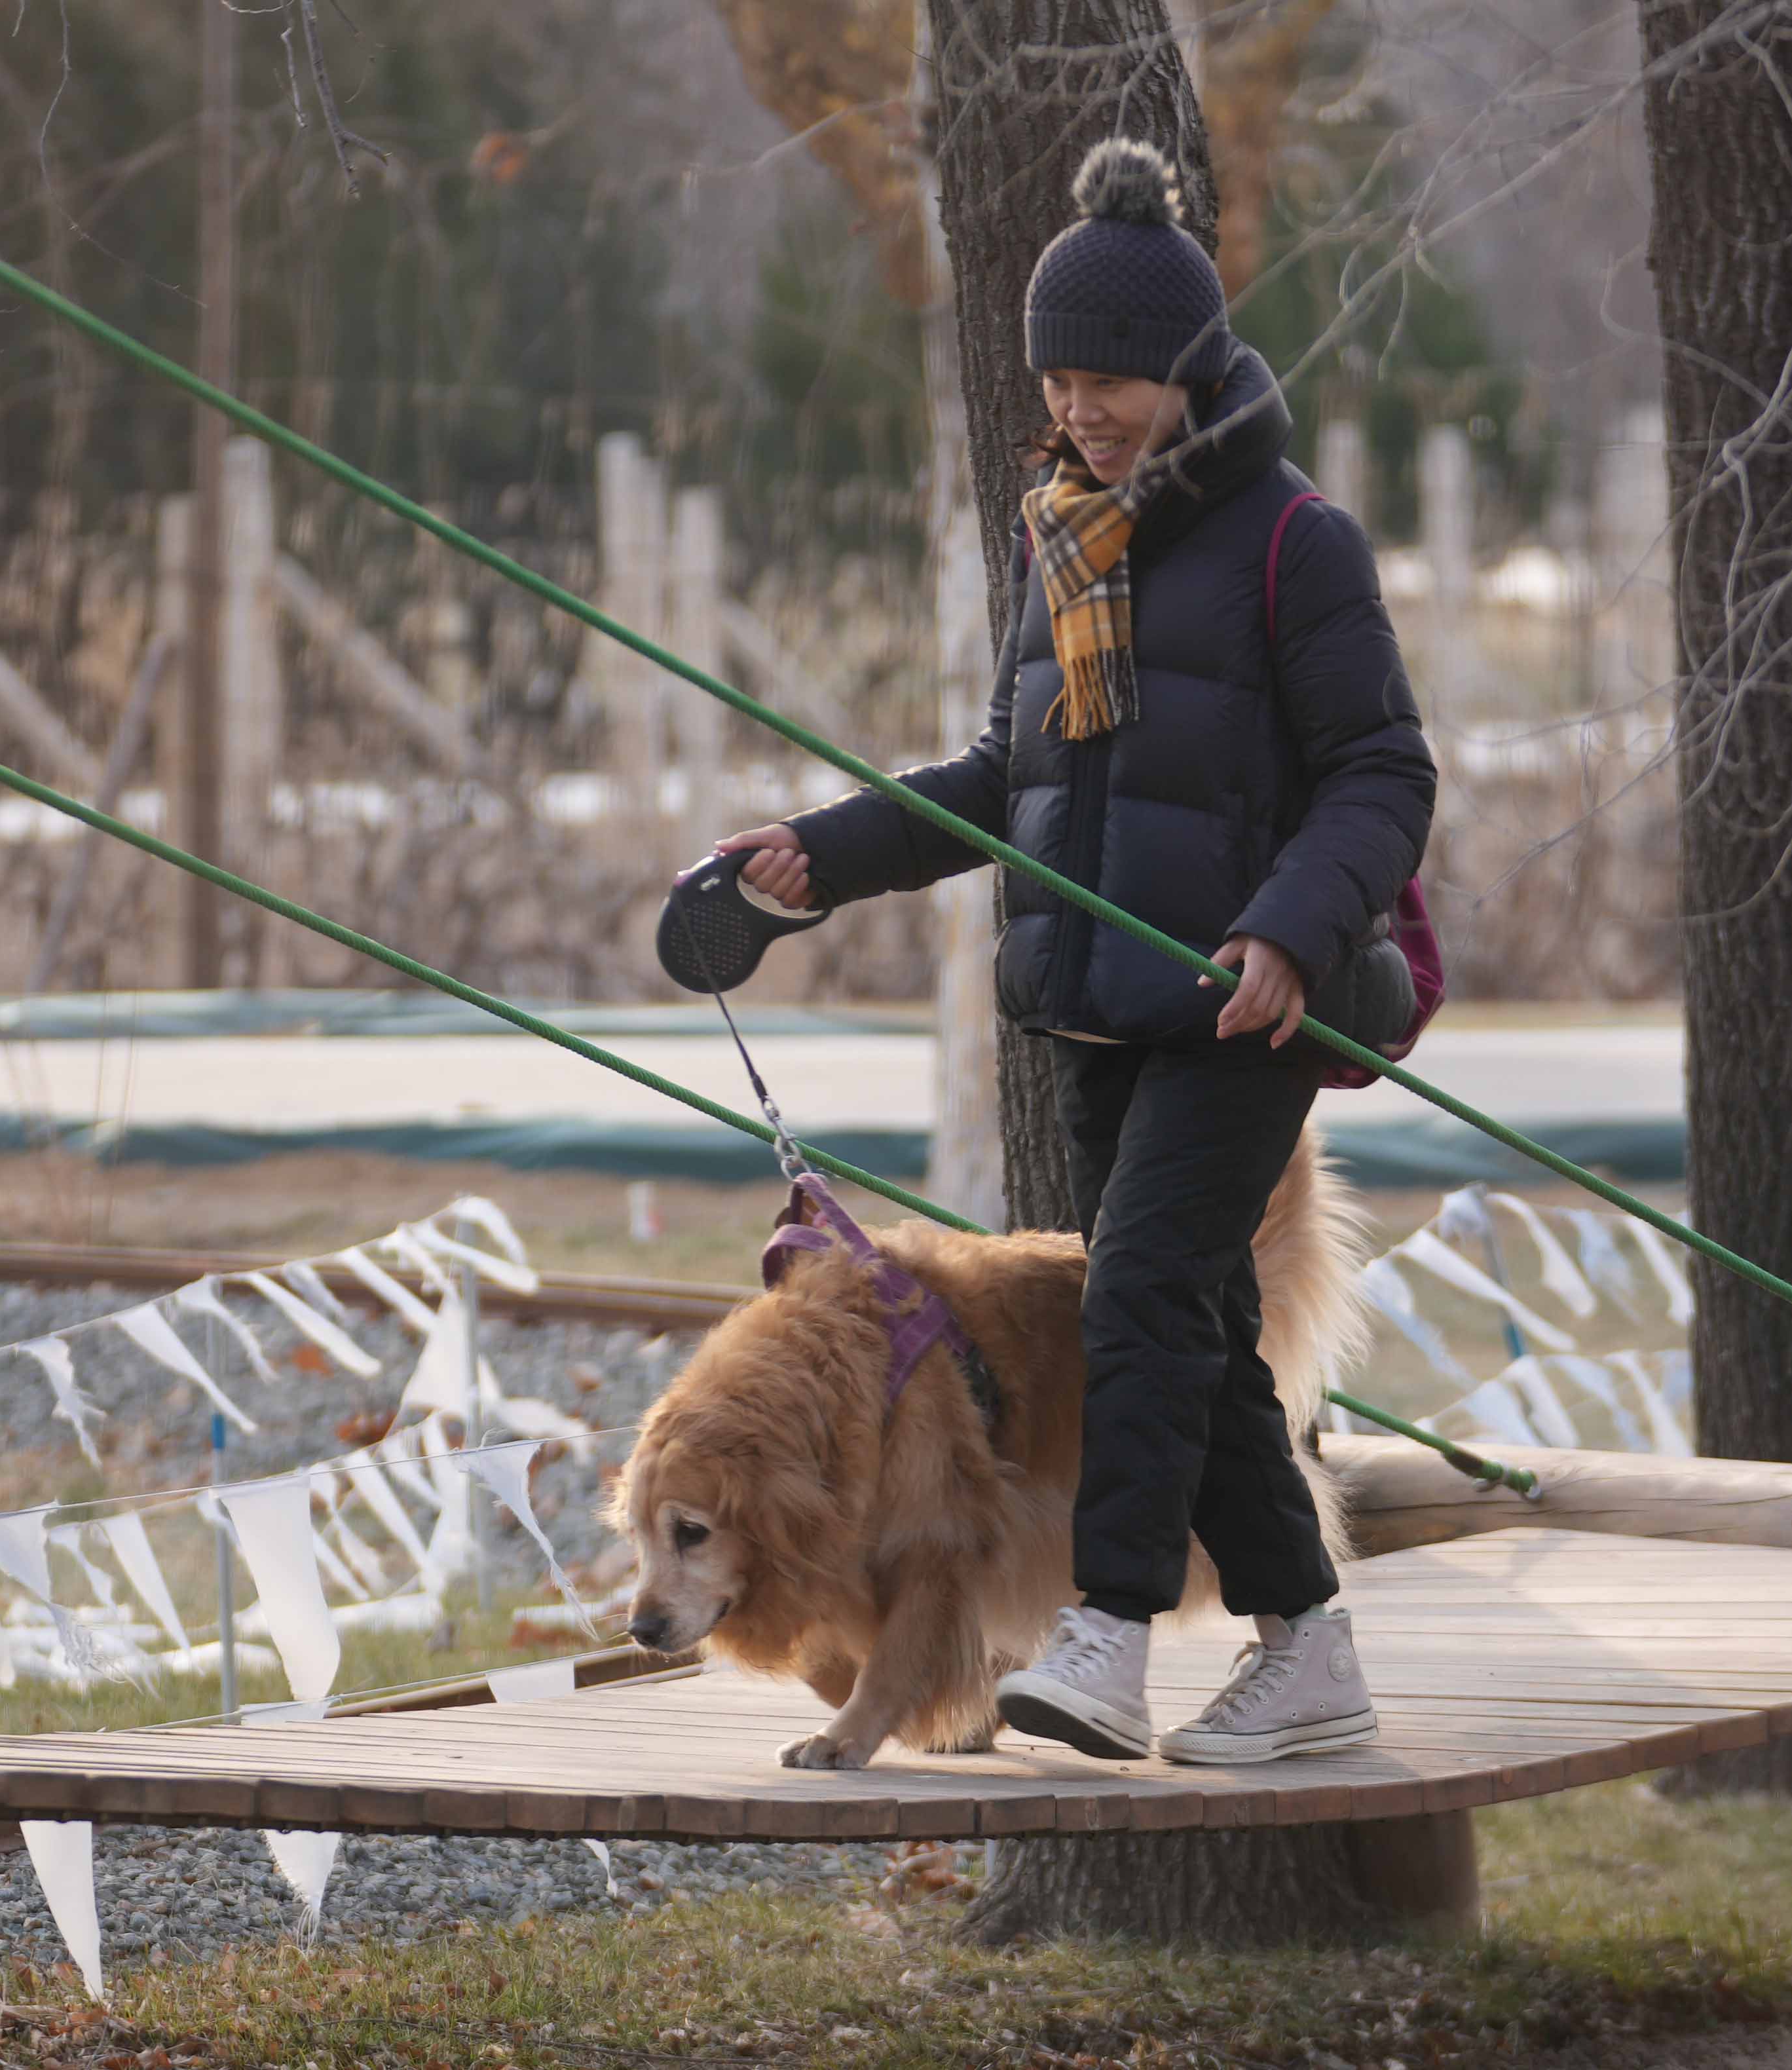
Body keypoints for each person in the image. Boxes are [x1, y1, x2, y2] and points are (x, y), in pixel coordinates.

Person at [707, 137, 1436, 1767]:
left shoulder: (1291, 543)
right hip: (1105, 1015)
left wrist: (1287, 927)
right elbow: (1004, 782)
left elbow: (1388, 772)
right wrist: (818, 857)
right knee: (1189, 1325)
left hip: (1251, 1006)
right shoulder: (1062, 541)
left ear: (1185, 369)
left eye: (1110, 379)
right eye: (1060, 378)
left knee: (1146, 1300)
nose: (1082, 408)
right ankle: (1310, 1644)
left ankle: (1105, 1633)